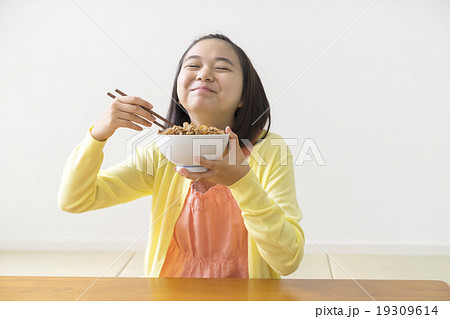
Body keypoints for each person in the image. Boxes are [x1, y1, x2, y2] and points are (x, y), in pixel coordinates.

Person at [58, 34, 304, 278]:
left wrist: (242, 182)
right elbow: (75, 200)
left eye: (221, 68)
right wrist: (98, 135)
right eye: (193, 65)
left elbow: (288, 260)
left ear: (243, 97)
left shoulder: (269, 150)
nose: (204, 74)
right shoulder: (163, 151)